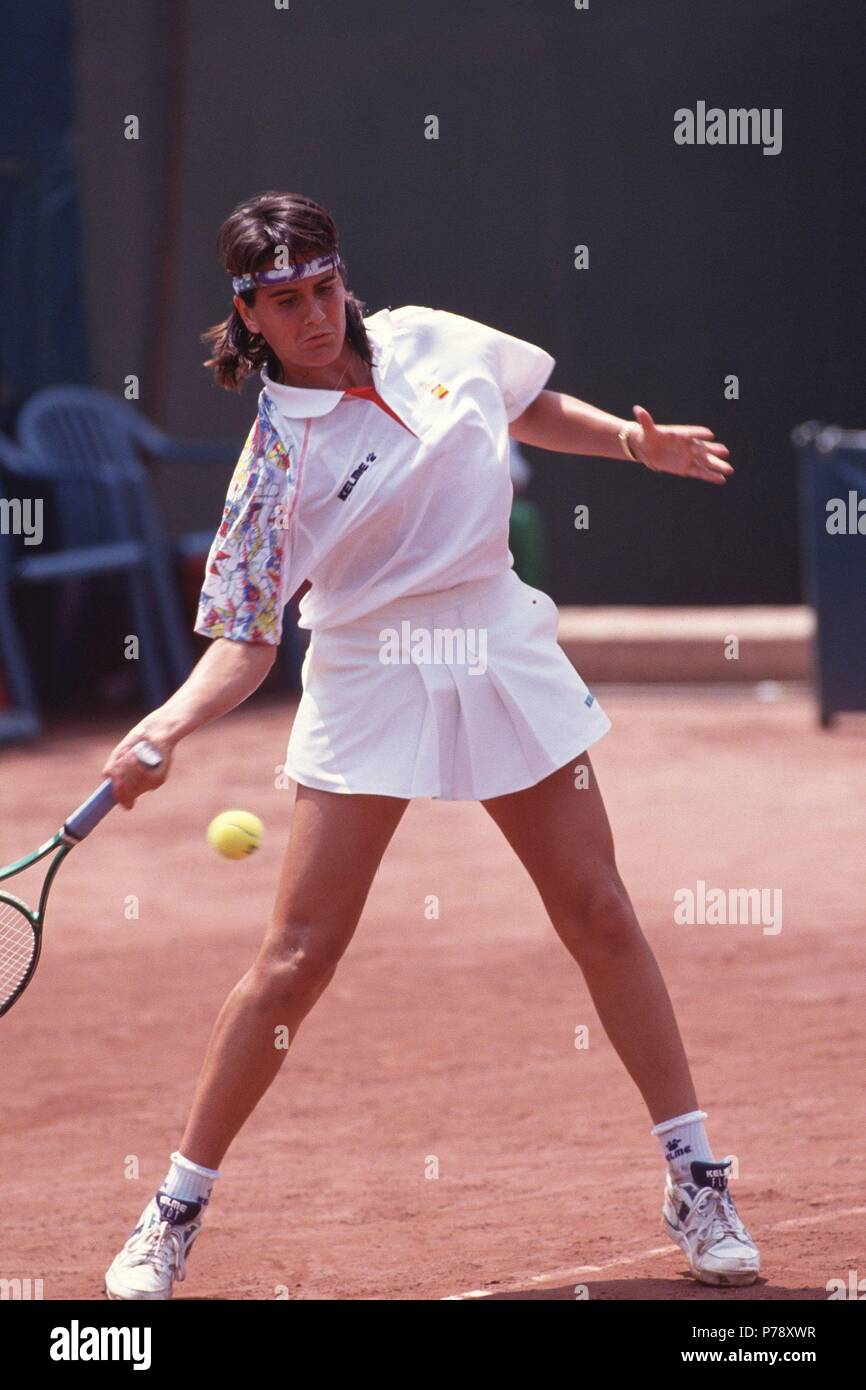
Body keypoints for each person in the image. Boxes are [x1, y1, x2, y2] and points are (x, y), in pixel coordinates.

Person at [102, 190, 758, 1299]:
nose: (316, 316)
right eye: (287, 302)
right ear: (248, 314)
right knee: (297, 959)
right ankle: (172, 1209)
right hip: (367, 669)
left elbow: (527, 404)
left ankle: (695, 1178)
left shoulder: (431, 339)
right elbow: (245, 644)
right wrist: (164, 724)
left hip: (495, 635)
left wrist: (630, 445)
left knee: (599, 909)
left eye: (325, 288)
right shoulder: (272, 465)